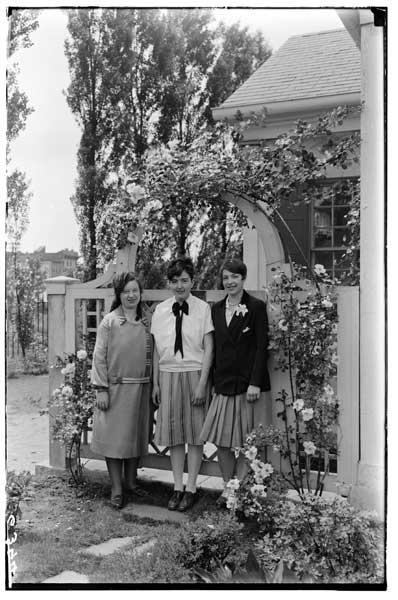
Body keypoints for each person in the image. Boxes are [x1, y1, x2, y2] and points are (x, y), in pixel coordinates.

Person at [200, 258, 271, 507]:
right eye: (226, 277)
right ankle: (227, 486)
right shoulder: (216, 309)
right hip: (224, 384)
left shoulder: (256, 307)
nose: (230, 282)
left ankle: (241, 489)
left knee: (247, 443)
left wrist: (254, 383)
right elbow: (215, 348)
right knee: (223, 442)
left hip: (248, 387)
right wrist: (211, 382)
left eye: (235, 277)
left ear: (243, 279)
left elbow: (262, 348)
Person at [151, 257, 214, 511]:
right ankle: (177, 487)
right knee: (176, 436)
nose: (180, 286)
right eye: (175, 281)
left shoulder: (202, 309)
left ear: (192, 282)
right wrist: (156, 383)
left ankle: (192, 488)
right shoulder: (161, 310)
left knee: (195, 436)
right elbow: (157, 350)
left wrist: (202, 383)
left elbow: (209, 349)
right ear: (169, 283)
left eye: (184, 280)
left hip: (194, 373)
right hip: (167, 375)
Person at [90, 272, 152, 509]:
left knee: (134, 438)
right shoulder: (110, 321)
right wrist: (101, 389)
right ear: (119, 294)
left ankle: (131, 482)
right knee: (115, 440)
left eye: (135, 290)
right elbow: (99, 356)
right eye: (126, 291)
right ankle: (116, 488)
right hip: (115, 390)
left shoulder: (146, 321)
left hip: (141, 388)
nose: (131, 295)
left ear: (140, 293)